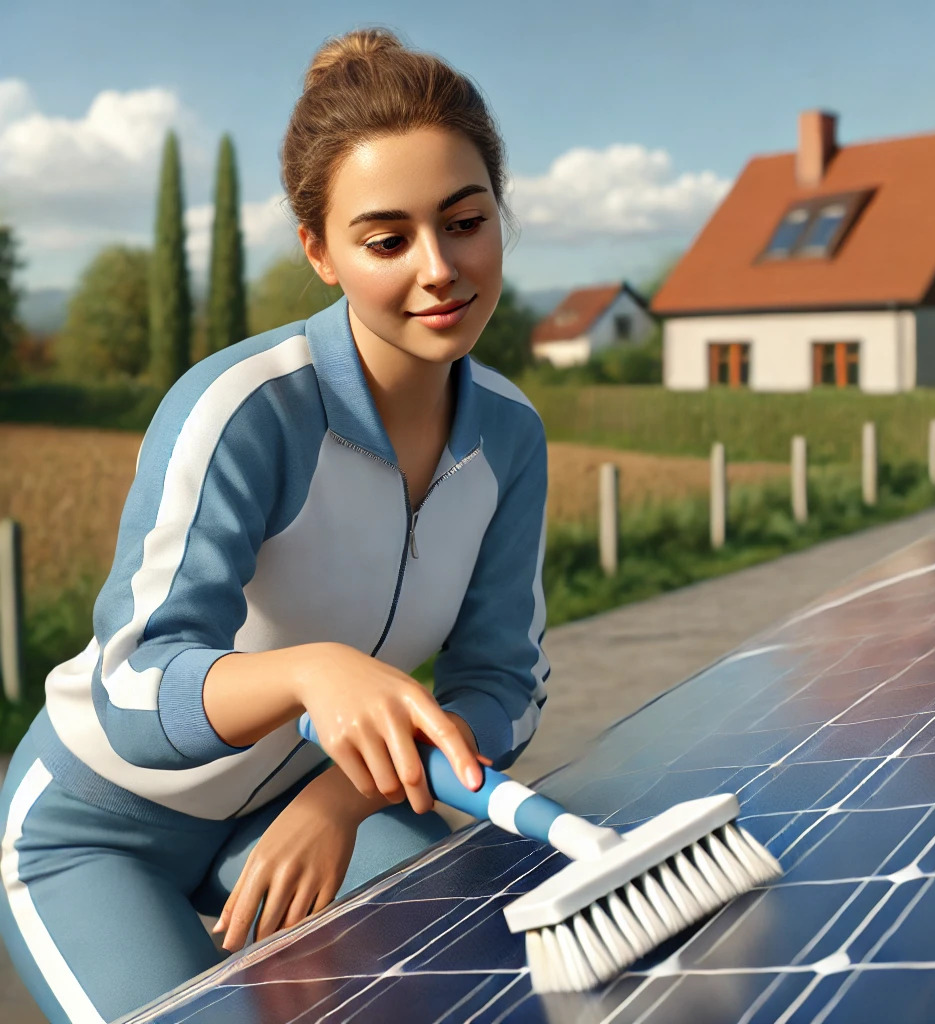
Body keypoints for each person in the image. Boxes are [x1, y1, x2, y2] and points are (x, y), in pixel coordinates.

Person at [0, 26, 549, 1024]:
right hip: (100, 828)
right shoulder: (243, 411)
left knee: (482, 957)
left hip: (290, 803)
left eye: (464, 222)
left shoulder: (509, 437)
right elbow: (133, 681)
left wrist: (341, 798)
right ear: (320, 251)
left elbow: (500, 684)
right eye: (387, 240)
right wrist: (310, 670)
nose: (439, 268)